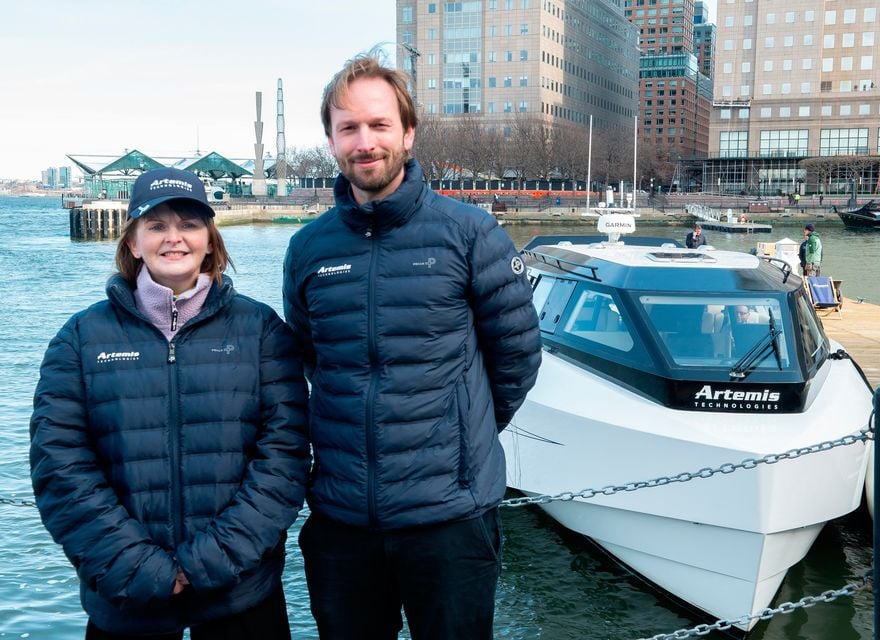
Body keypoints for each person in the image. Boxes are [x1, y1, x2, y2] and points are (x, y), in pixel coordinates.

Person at [282, 52, 542, 639]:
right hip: (343, 517)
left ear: (408, 132)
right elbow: (307, 358)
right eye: (348, 127)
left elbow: (517, 355)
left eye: (378, 125)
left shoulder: (470, 234)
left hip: (449, 518)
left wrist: (458, 435)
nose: (365, 141)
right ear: (330, 140)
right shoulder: (308, 250)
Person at [30, 168, 311, 640]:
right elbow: (59, 465)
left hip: (238, 592)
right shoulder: (80, 339)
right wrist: (135, 564)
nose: (174, 238)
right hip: (126, 594)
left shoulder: (261, 331)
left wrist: (212, 559)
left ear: (209, 238)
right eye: (157, 226)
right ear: (134, 242)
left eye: (188, 224)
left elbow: (284, 457)